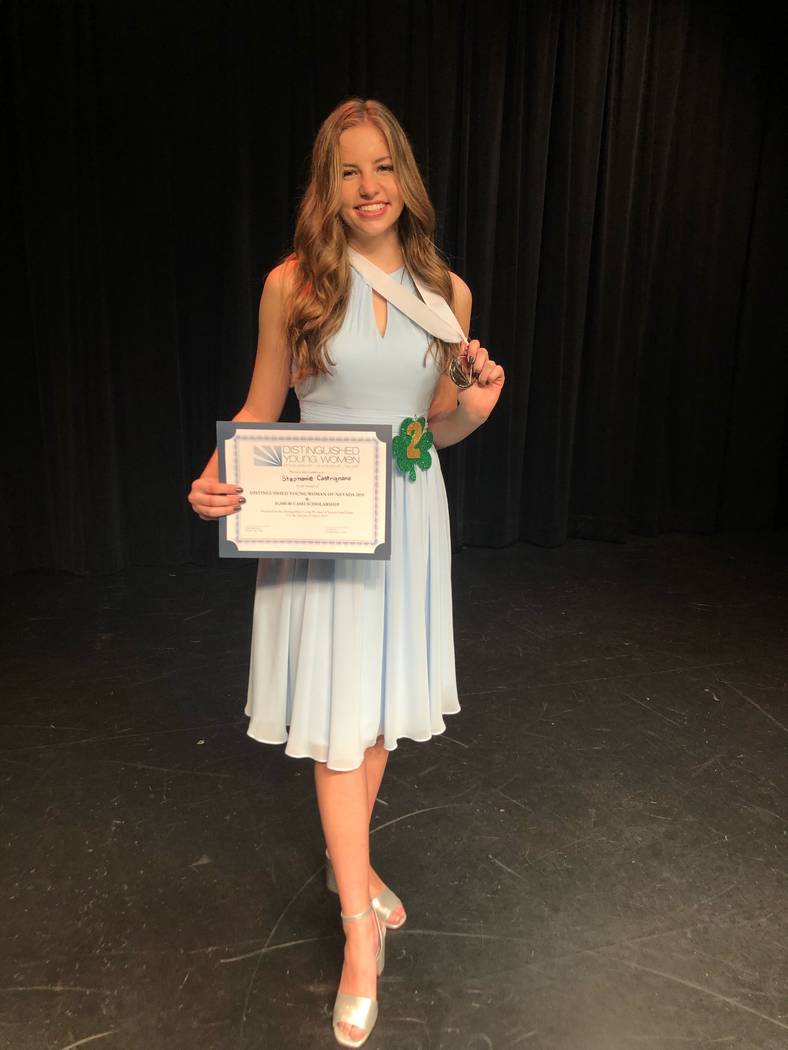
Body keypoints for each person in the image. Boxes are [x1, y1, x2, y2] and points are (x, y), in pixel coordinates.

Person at [188, 97, 504, 1047]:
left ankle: (346, 864)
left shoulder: (447, 292)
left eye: (381, 169)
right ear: (326, 188)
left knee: (375, 711)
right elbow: (259, 406)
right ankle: (358, 931)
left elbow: (438, 423)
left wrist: (479, 406)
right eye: (347, 172)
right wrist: (217, 474)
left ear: (405, 177)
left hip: (406, 513)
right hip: (320, 517)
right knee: (337, 724)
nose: (368, 189)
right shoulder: (294, 284)